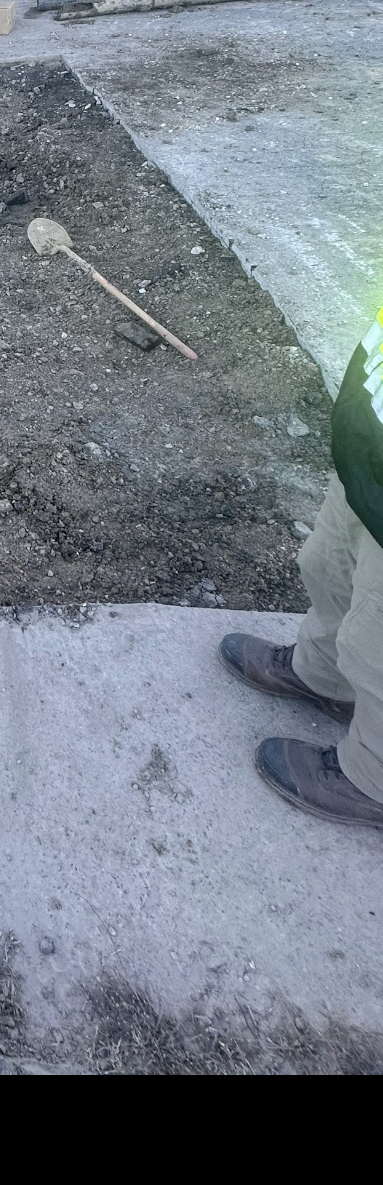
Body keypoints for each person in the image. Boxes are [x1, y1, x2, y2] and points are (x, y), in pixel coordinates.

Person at [222, 299, 383, 827]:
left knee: (377, 636)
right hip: (371, 441)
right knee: (328, 562)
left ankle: (371, 778)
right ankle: (322, 676)